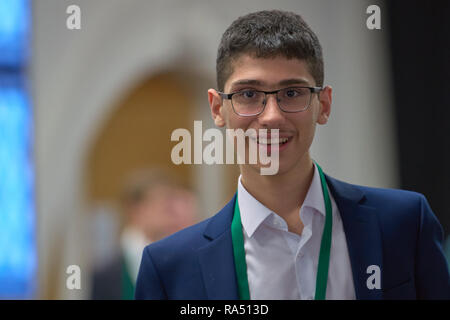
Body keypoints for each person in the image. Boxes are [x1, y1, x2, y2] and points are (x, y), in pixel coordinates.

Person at [135, 10, 450, 299]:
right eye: (248, 94)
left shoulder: (404, 224)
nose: (271, 116)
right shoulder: (169, 266)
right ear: (218, 109)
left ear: (323, 105)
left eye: (292, 93)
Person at [91, 169, 197, 299]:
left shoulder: (178, 259)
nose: (170, 213)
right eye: (162, 205)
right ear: (137, 209)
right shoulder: (105, 273)